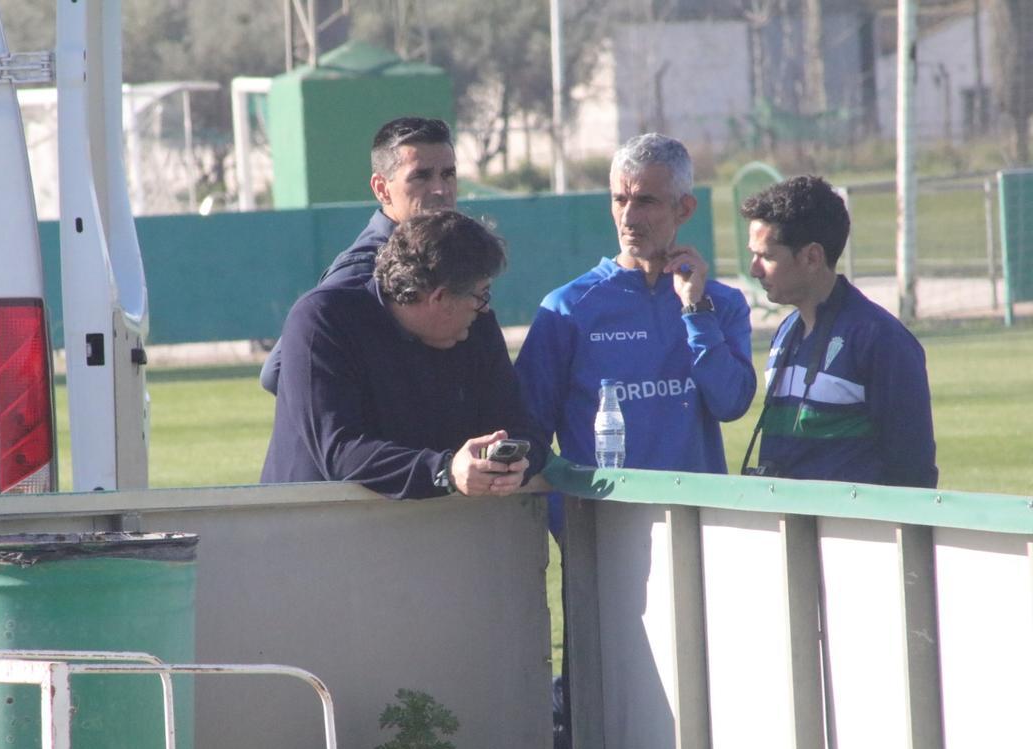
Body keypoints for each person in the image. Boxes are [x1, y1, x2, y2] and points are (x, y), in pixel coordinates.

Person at [515, 133, 756, 500]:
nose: (629, 217)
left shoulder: (720, 303)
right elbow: (527, 435)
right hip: (602, 532)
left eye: (645, 201)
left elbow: (731, 404)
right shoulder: (567, 309)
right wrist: (568, 524)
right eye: (619, 199)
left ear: (685, 208)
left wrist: (695, 310)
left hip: (698, 525)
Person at [260, 209, 548, 499]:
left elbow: (522, 427)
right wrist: (446, 471)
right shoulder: (322, 320)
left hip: (441, 530)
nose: (484, 307)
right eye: (480, 295)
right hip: (313, 528)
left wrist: (516, 464)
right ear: (439, 298)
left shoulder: (478, 327)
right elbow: (340, 450)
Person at [739, 175, 938, 486]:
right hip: (789, 529)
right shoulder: (786, 331)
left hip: (855, 533)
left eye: (766, 256)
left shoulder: (880, 339)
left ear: (812, 257)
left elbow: (913, 470)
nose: (754, 269)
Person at [260, 116, 458, 394]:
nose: (441, 189)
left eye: (448, 174)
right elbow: (277, 372)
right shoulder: (364, 268)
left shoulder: (452, 255)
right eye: (421, 176)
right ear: (381, 188)